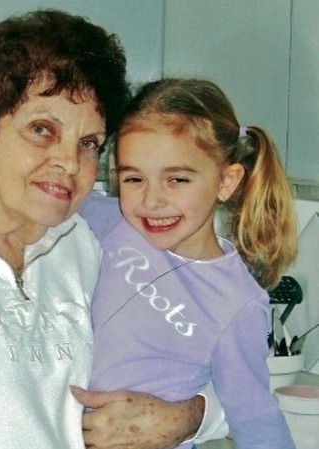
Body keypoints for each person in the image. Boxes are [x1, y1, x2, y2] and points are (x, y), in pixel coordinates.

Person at [0, 10, 223, 449]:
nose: (71, 164)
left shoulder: (90, 240)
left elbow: (225, 340)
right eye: (41, 130)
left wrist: (189, 417)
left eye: (88, 143)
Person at [81, 78, 297, 449]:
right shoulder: (106, 219)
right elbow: (23, 191)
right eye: (133, 178)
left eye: (177, 179)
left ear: (226, 182)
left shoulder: (239, 301)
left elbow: (256, 418)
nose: (151, 201)